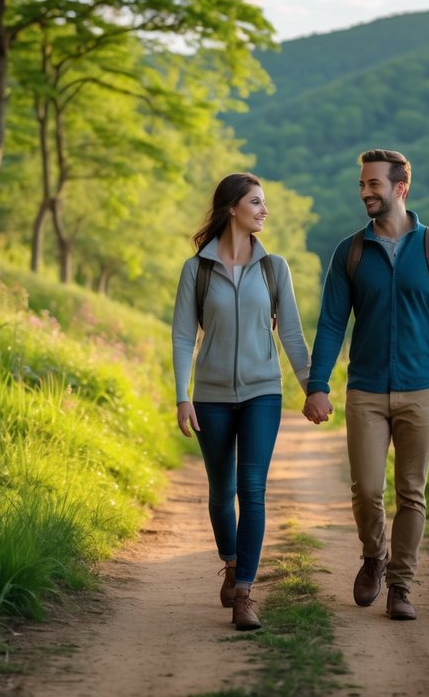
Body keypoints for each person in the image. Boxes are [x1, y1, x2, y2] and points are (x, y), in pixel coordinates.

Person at [302, 148, 429, 621]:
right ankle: (374, 556)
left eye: (372, 184)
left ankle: (401, 584)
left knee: (412, 492)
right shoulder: (351, 252)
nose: (364, 193)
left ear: (400, 188)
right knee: (367, 489)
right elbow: (332, 323)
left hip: (421, 390)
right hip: (366, 391)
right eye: (361, 185)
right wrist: (318, 385)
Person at [171, 173, 310, 631]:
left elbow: (290, 331)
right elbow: (182, 338)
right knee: (220, 492)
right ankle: (230, 564)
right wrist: (183, 396)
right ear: (233, 208)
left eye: (264, 202)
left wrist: (313, 387)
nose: (264, 210)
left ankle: (246, 592)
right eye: (256, 202)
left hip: (262, 392)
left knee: (252, 489)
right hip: (209, 397)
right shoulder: (197, 270)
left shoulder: (274, 268)